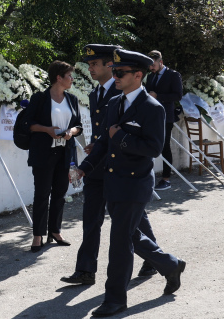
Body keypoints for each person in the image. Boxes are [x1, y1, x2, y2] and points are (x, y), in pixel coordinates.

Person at [70, 49, 186, 317]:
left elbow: (154, 148)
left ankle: (115, 299)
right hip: (113, 181)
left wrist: (121, 137)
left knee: (120, 240)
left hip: (135, 184)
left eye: (120, 73)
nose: (116, 76)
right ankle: (170, 265)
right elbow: (102, 143)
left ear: (138, 75)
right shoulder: (114, 103)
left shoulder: (152, 108)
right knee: (131, 234)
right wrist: (85, 169)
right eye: (115, 72)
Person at [61, 45, 160, 286]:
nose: (90, 69)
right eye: (89, 65)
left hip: (122, 168)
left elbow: (136, 138)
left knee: (133, 221)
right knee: (91, 218)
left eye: (95, 64)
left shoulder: (126, 96)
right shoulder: (97, 94)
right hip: (98, 166)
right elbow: (102, 134)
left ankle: (154, 258)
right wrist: (91, 155)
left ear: (110, 66)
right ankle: (85, 269)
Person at [20, 61, 82, 252]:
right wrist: (47, 130)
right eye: (69, 76)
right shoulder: (40, 98)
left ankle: (55, 231)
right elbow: (28, 124)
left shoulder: (72, 99)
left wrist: (71, 131)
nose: (72, 79)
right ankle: (38, 235)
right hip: (44, 153)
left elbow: (78, 126)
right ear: (59, 77)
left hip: (65, 152)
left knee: (60, 194)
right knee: (41, 194)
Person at [146, 50, 183, 191]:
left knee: (164, 146)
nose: (151, 68)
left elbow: (177, 95)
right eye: (149, 66)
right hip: (151, 117)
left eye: (153, 65)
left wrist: (158, 96)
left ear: (160, 62)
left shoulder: (173, 75)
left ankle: (166, 178)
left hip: (166, 116)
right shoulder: (150, 77)